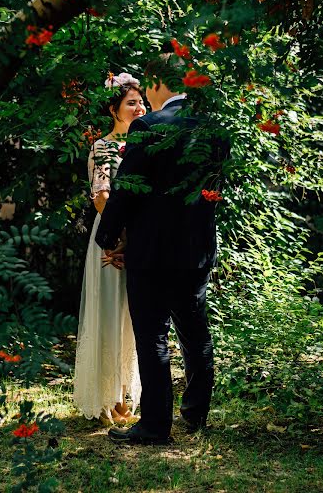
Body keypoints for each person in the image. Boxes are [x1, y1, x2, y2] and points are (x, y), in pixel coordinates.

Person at [95, 55, 229, 444]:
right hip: (196, 248)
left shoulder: (149, 127)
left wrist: (109, 238)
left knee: (152, 335)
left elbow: (126, 190)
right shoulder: (215, 128)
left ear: (155, 83)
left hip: (151, 251)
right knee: (195, 333)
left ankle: (155, 426)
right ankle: (195, 414)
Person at [73, 72, 146, 426]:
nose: (139, 107)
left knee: (131, 317)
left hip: (140, 239)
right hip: (112, 237)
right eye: (131, 103)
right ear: (114, 109)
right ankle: (105, 399)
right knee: (108, 312)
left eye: (141, 102)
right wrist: (119, 239)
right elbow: (102, 196)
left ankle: (123, 394)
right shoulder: (103, 146)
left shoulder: (146, 145)